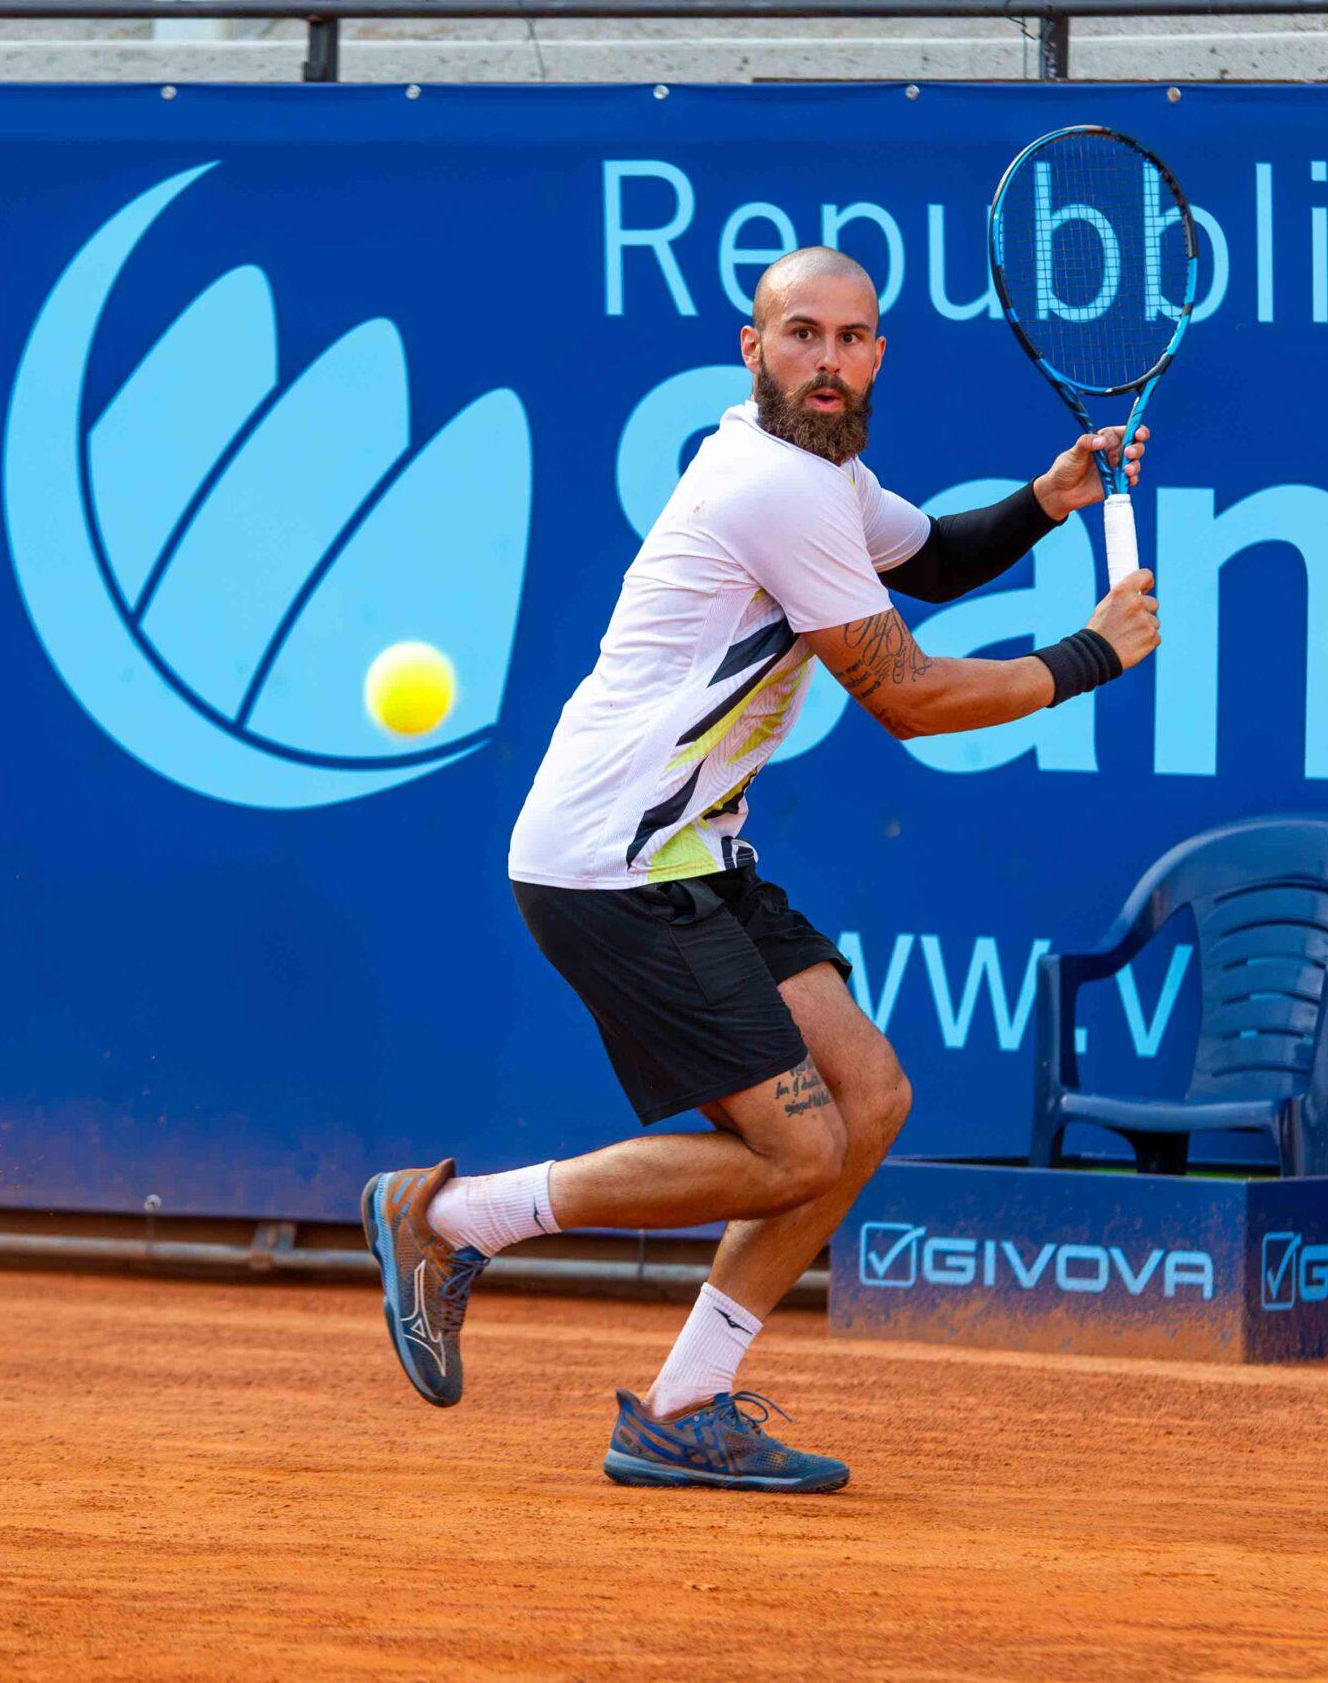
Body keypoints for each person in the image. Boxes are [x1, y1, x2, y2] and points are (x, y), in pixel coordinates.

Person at [363, 246, 1157, 1493]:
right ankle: (450, 1217)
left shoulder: (823, 476)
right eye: (801, 335)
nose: (826, 361)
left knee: (869, 1099)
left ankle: (682, 1406)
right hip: (610, 861)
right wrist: (1089, 656)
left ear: (878, 354)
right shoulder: (773, 482)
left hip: (692, 847)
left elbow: (931, 559)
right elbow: (904, 694)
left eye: (850, 338)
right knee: (794, 1150)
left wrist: (1046, 500)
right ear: (753, 348)